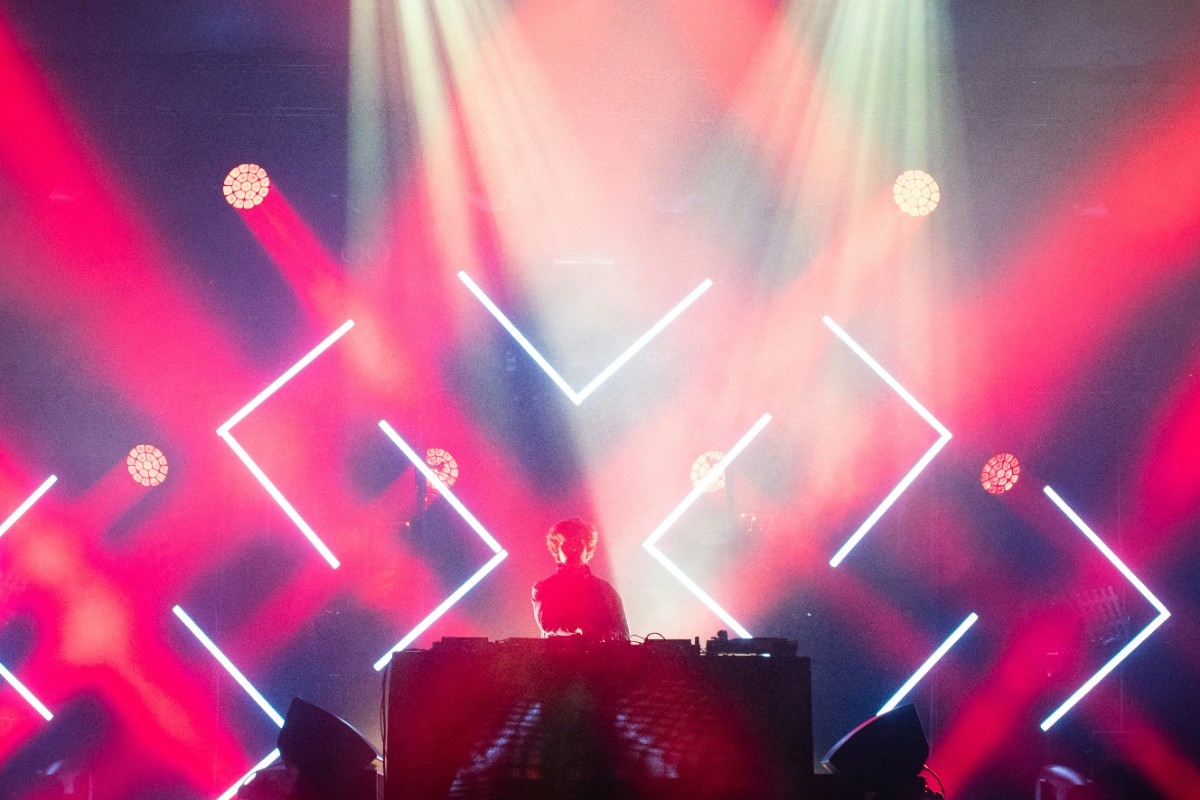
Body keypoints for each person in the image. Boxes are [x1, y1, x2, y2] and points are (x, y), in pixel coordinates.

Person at [531, 518, 629, 641]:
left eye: (578, 544)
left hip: (599, 658)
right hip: (558, 659)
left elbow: (622, 633)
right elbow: (547, 624)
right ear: (556, 550)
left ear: (587, 549)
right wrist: (578, 628)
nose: (573, 550)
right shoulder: (544, 588)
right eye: (567, 544)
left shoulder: (605, 589)